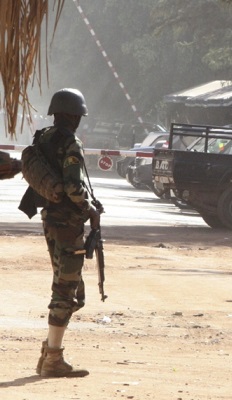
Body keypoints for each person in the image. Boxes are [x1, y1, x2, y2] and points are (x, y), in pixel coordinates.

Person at [21, 88, 100, 377]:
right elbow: (73, 187)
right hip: (67, 222)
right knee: (66, 289)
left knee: (68, 288)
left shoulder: (43, 137)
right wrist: (90, 209)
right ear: (70, 114)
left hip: (50, 218)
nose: (79, 120)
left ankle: (49, 352)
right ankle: (53, 358)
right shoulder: (70, 142)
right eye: (77, 115)